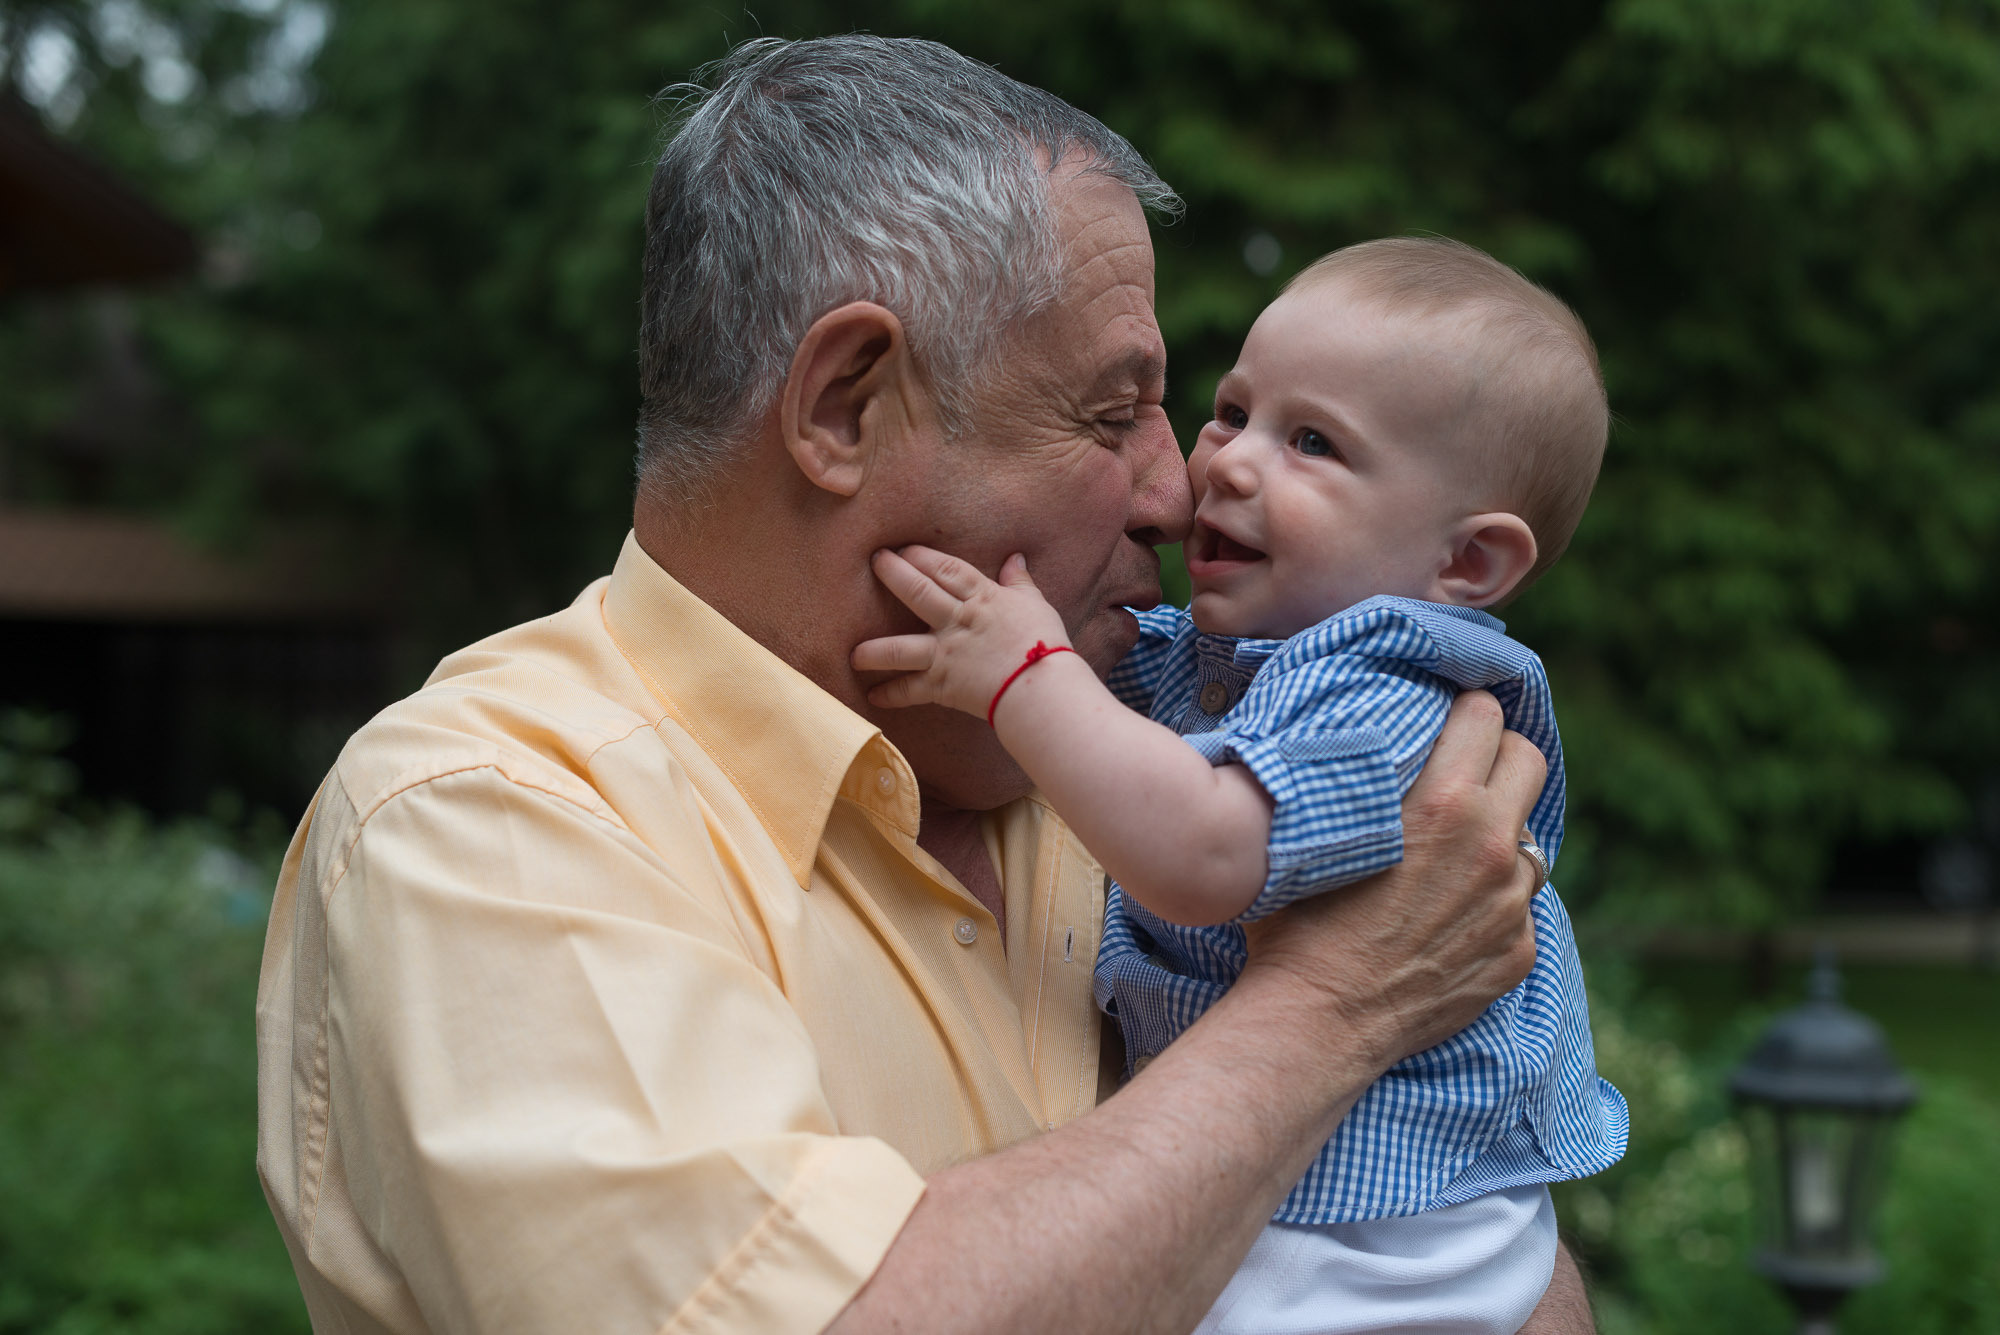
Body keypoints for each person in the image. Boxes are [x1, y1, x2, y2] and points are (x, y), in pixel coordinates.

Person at [255, 36, 1597, 1334]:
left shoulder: (1124, 738)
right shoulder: (487, 819)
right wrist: (1334, 1010)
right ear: (846, 404)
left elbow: (1474, 1238)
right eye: (1109, 410)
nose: (1178, 491)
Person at [853, 236, 1628, 1332]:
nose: (1222, 464)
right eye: (1234, 409)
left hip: (1377, 1246)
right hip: (1299, 1203)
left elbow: (1204, 857)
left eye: (1311, 443)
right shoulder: (1219, 661)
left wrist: (1021, 674)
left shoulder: (1389, 694)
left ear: (1466, 567)